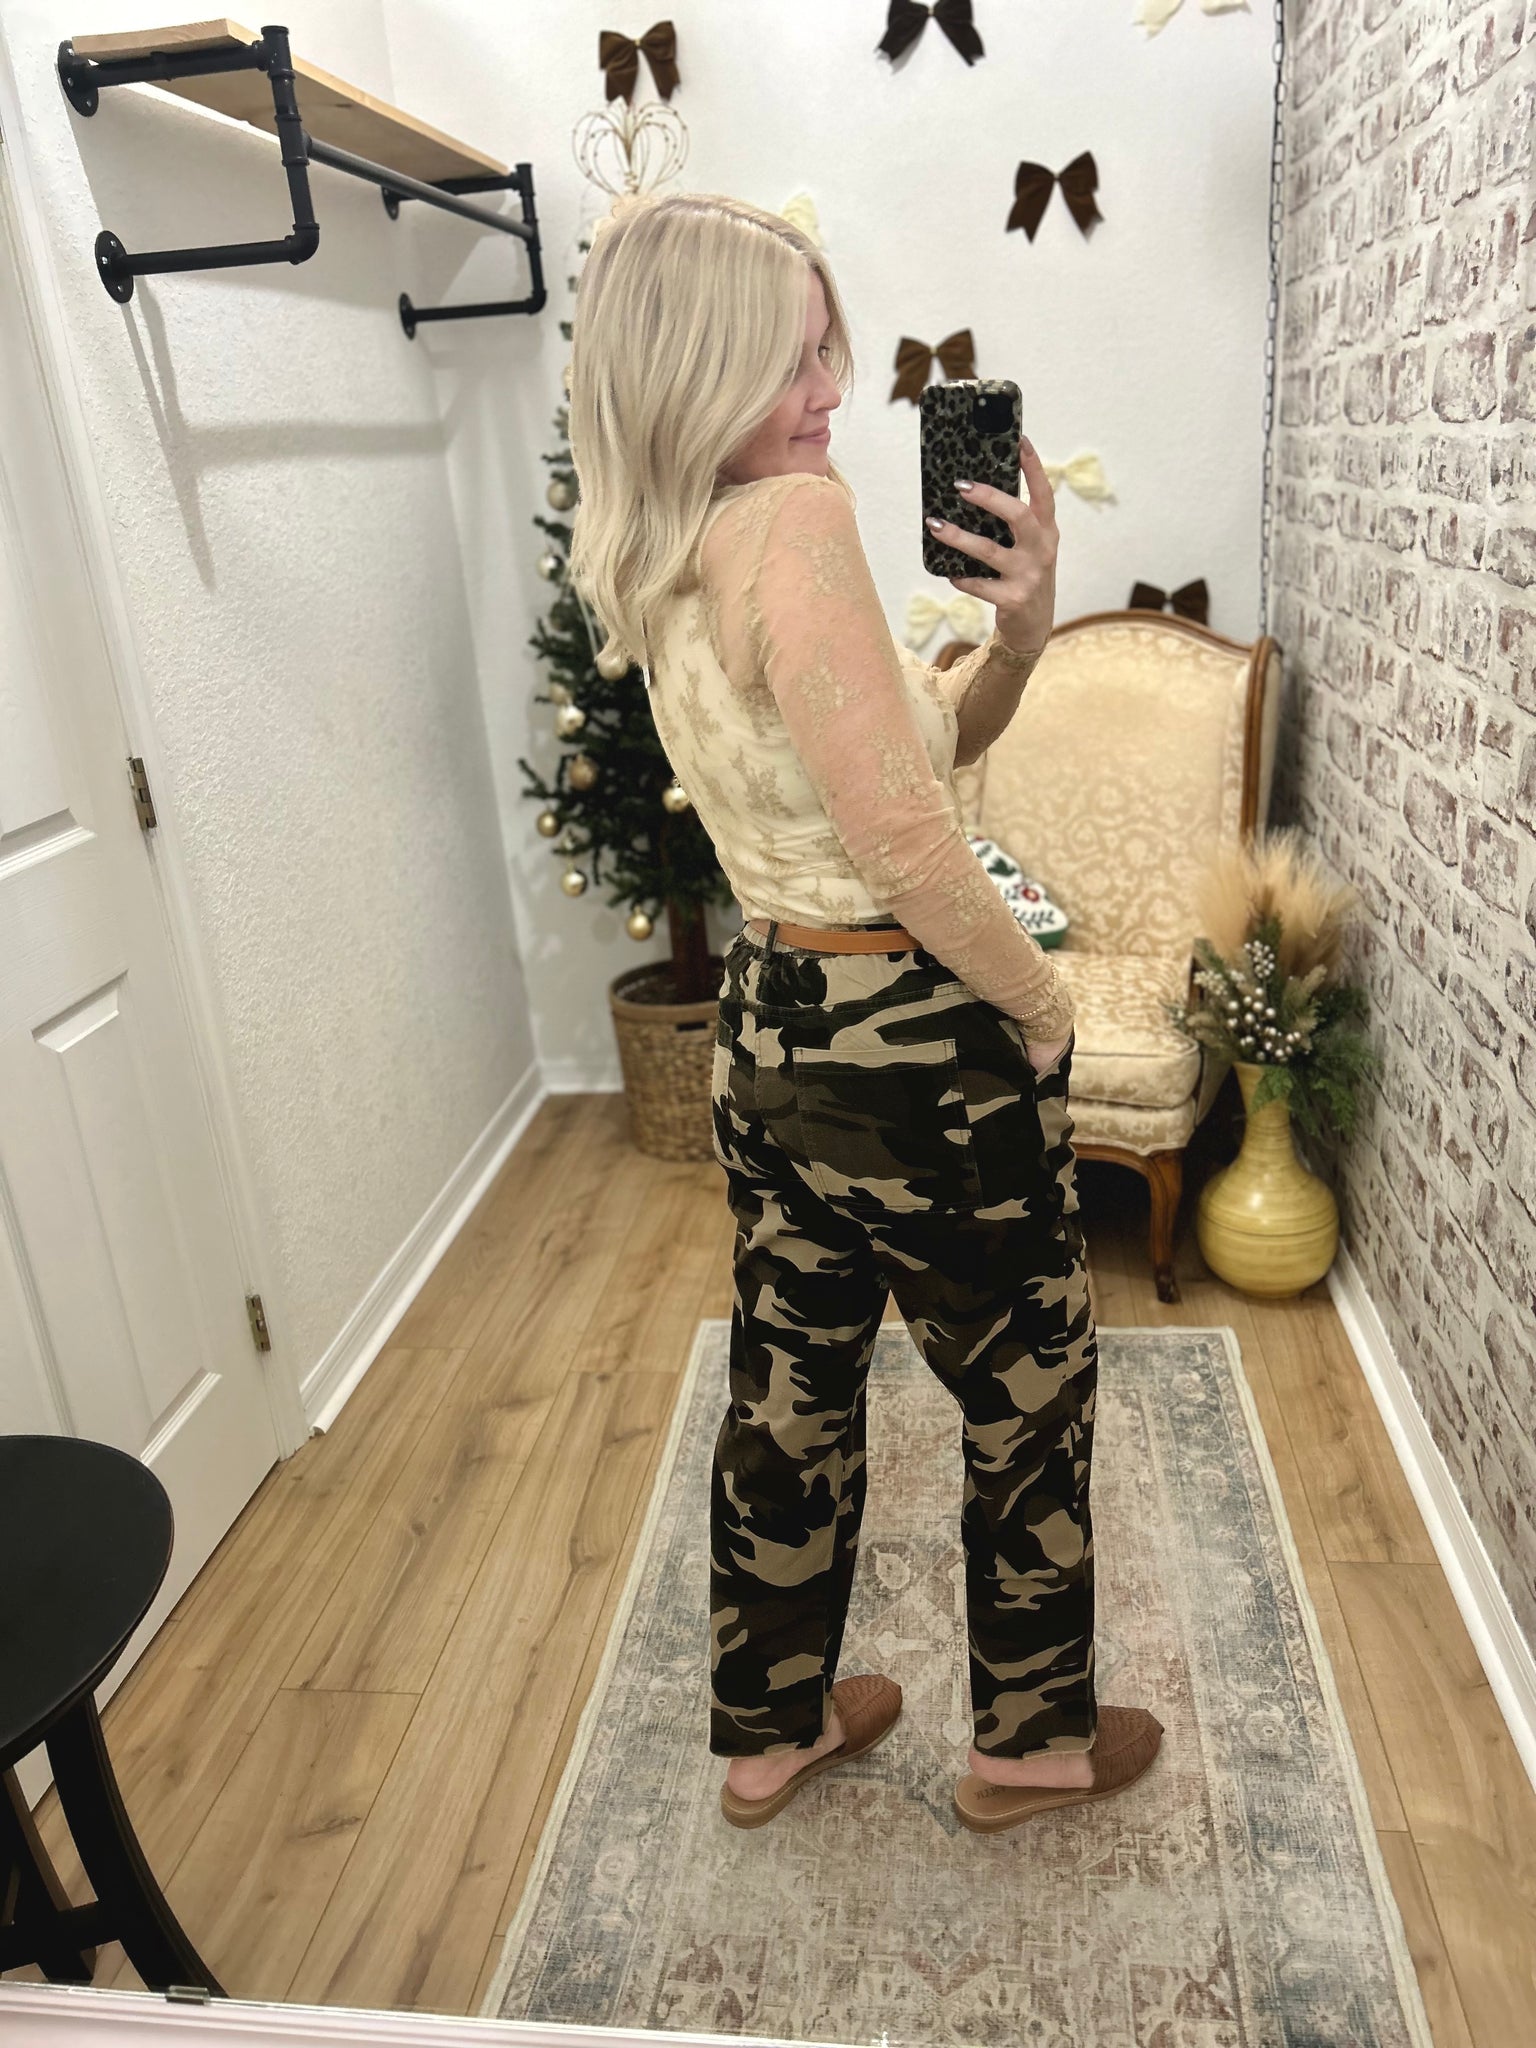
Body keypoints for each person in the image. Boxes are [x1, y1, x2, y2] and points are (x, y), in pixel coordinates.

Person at [566, 190, 1161, 1834]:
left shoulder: (660, 545)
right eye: (791, 357)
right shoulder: (799, 522)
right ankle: (1030, 1745)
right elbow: (906, 841)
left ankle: (770, 1731)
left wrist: (1021, 633)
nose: (831, 386)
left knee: (791, 1385)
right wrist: (1044, 1005)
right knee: (1028, 1384)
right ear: (694, 366)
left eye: (826, 346)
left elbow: (909, 761)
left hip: (772, 1025)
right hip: (909, 1042)